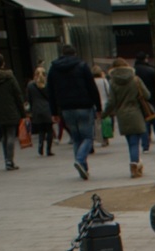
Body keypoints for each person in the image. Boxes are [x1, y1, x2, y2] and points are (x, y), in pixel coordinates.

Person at [46, 43, 101, 180]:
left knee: (76, 138)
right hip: (84, 105)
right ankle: (80, 160)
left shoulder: (54, 68)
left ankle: (83, 167)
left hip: (66, 107)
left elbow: (50, 92)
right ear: (75, 53)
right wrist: (98, 107)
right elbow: (92, 87)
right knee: (88, 137)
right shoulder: (82, 66)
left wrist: (54, 112)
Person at [104, 57, 150, 179]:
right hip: (136, 112)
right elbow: (147, 95)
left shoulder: (113, 82)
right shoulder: (135, 80)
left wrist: (104, 114)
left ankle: (134, 162)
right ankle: (135, 163)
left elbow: (111, 101)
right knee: (135, 141)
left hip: (122, 114)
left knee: (130, 142)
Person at [133, 52, 155, 151]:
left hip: (138, 99)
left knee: (144, 122)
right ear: (145, 59)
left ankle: (145, 144)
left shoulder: (133, 72)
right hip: (152, 98)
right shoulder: (151, 70)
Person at [27, 66, 54, 155]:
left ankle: (40, 146)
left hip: (36, 109)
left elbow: (29, 99)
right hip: (47, 109)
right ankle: (48, 150)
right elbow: (51, 98)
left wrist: (31, 110)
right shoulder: (48, 85)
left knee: (41, 130)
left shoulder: (30, 85)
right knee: (49, 130)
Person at [92, 65, 111, 147]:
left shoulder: (91, 81)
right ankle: (106, 138)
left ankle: (98, 137)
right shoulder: (104, 81)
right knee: (105, 121)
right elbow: (108, 91)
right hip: (105, 102)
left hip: (94, 104)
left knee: (96, 122)